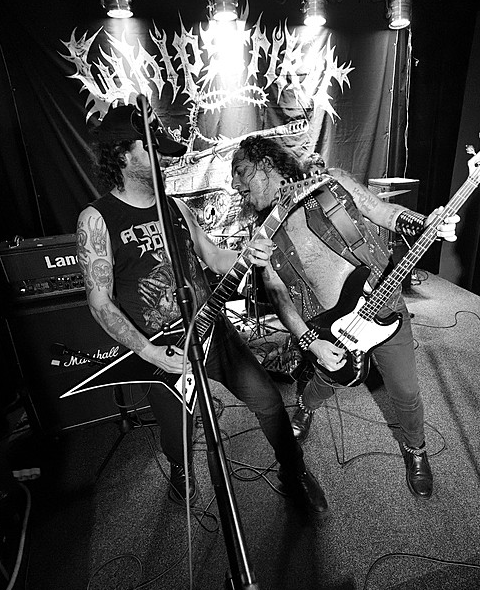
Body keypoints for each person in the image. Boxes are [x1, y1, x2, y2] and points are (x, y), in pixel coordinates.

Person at [76, 103, 327, 515]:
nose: (161, 158)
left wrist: (248, 254)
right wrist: (150, 352)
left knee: (268, 400)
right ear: (121, 154)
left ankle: (293, 469)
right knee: (179, 436)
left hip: (212, 328)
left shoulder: (174, 207)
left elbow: (211, 256)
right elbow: (99, 302)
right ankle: (180, 468)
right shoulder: (96, 219)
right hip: (163, 348)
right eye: (150, 149)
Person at [229, 136, 459, 498]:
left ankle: (416, 449)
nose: (234, 184)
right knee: (328, 379)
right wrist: (310, 341)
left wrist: (424, 223)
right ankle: (305, 408)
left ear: (266, 165)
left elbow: (382, 212)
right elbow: (277, 293)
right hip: (327, 327)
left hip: (381, 305)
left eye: (241, 172)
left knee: (406, 391)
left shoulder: (331, 183)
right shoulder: (264, 232)